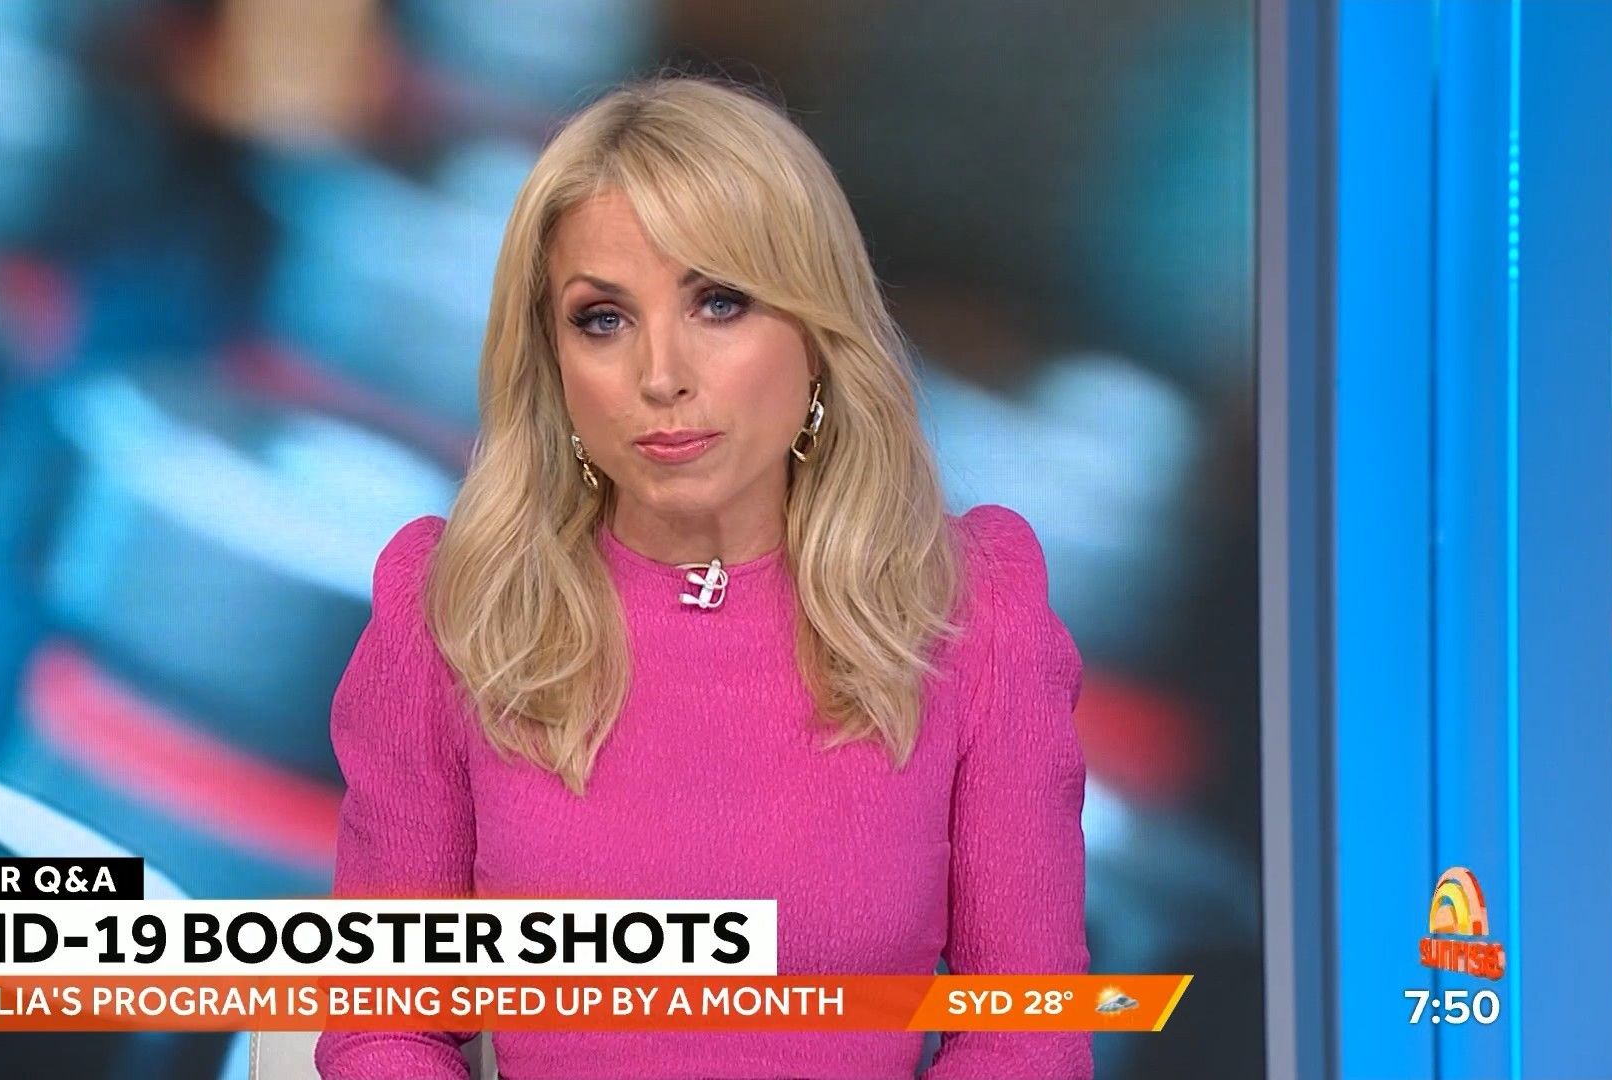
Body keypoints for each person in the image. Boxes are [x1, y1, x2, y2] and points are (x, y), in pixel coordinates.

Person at [316, 74, 1089, 1080]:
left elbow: (1025, 1037)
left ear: (817, 337)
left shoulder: (973, 615)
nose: (661, 374)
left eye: (719, 302)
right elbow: (385, 1028)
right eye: (602, 319)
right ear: (552, 367)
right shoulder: (453, 611)